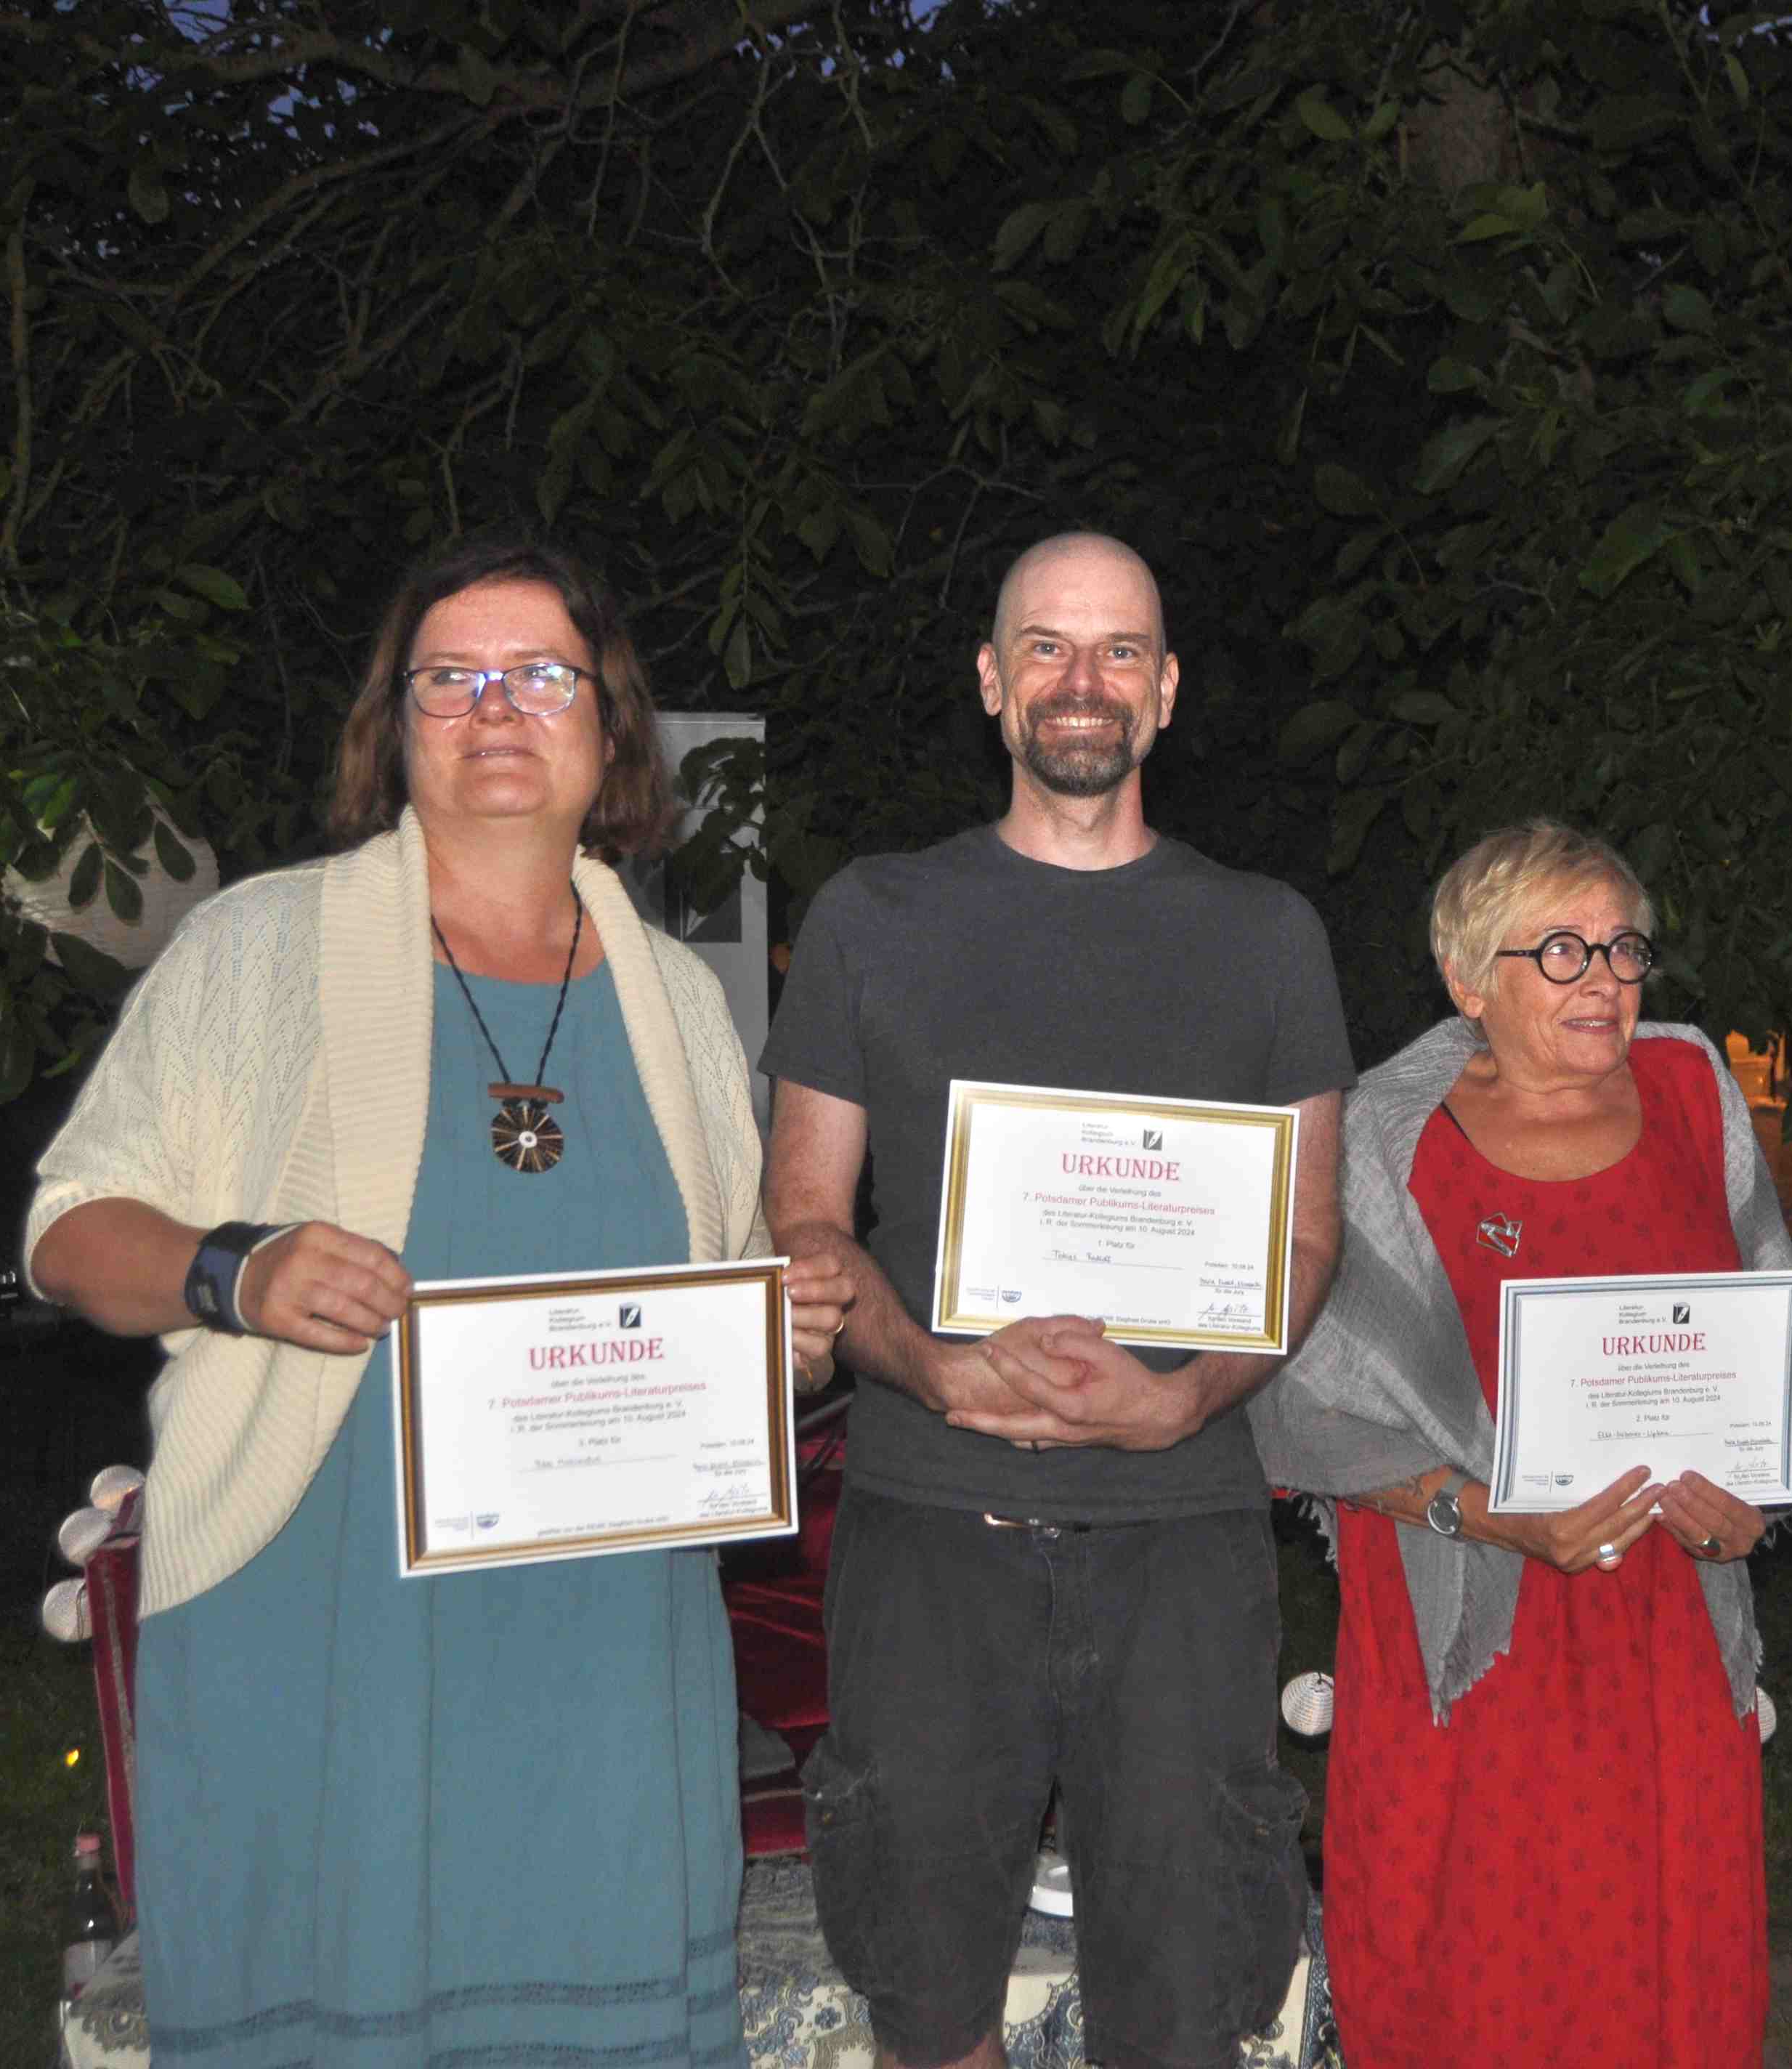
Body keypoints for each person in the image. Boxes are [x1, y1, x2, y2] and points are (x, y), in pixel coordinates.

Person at [26, 533, 850, 2068]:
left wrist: (783, 1335)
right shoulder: (256, 948)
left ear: (608, 722)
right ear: (392, 723)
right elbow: (70, 1232)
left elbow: (721, 1323)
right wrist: (237, 1268)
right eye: (449, 678)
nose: (494, 708)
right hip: (327, 1643)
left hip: (603, 1665)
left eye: (539, 674)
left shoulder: (680, 1000)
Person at [758, 530, 1354, 2069]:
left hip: (1182, 1530)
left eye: (1116, 650)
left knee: (1182, 2009)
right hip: (929, 1520)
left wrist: (1186, 1394)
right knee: (928, 2000)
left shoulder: (1267, 933)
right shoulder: (870, 916)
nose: (1080, 680)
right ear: (989, 678)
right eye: (1044, 645)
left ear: (1166, 689)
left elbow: (1303, 1237)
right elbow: (804, 1223)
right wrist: (930, 1365)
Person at [1246, 821, 1792, 2069]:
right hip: (1472, 1626)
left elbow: (1776, 1342)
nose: (1605, 979)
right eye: (1561, 950)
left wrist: (1757, 1490)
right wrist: (1486, 1511)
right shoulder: (1379, 1141)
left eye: (1623, 948)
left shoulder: (1692, 1093)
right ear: (1468, 978)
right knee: (1479, 1963)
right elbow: (1301, 1408)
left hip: (1666, 1627)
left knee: (1665, 1959)